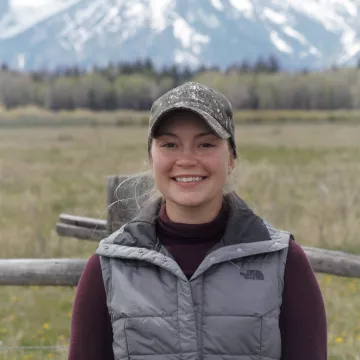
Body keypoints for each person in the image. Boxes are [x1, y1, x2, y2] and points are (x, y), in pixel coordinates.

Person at [68, 82, 327, 360]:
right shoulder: (109, 268)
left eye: (205, 144)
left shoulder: (284, 263)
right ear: (151, 158)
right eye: (170, 144)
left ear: (231, 158)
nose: (187, 160)